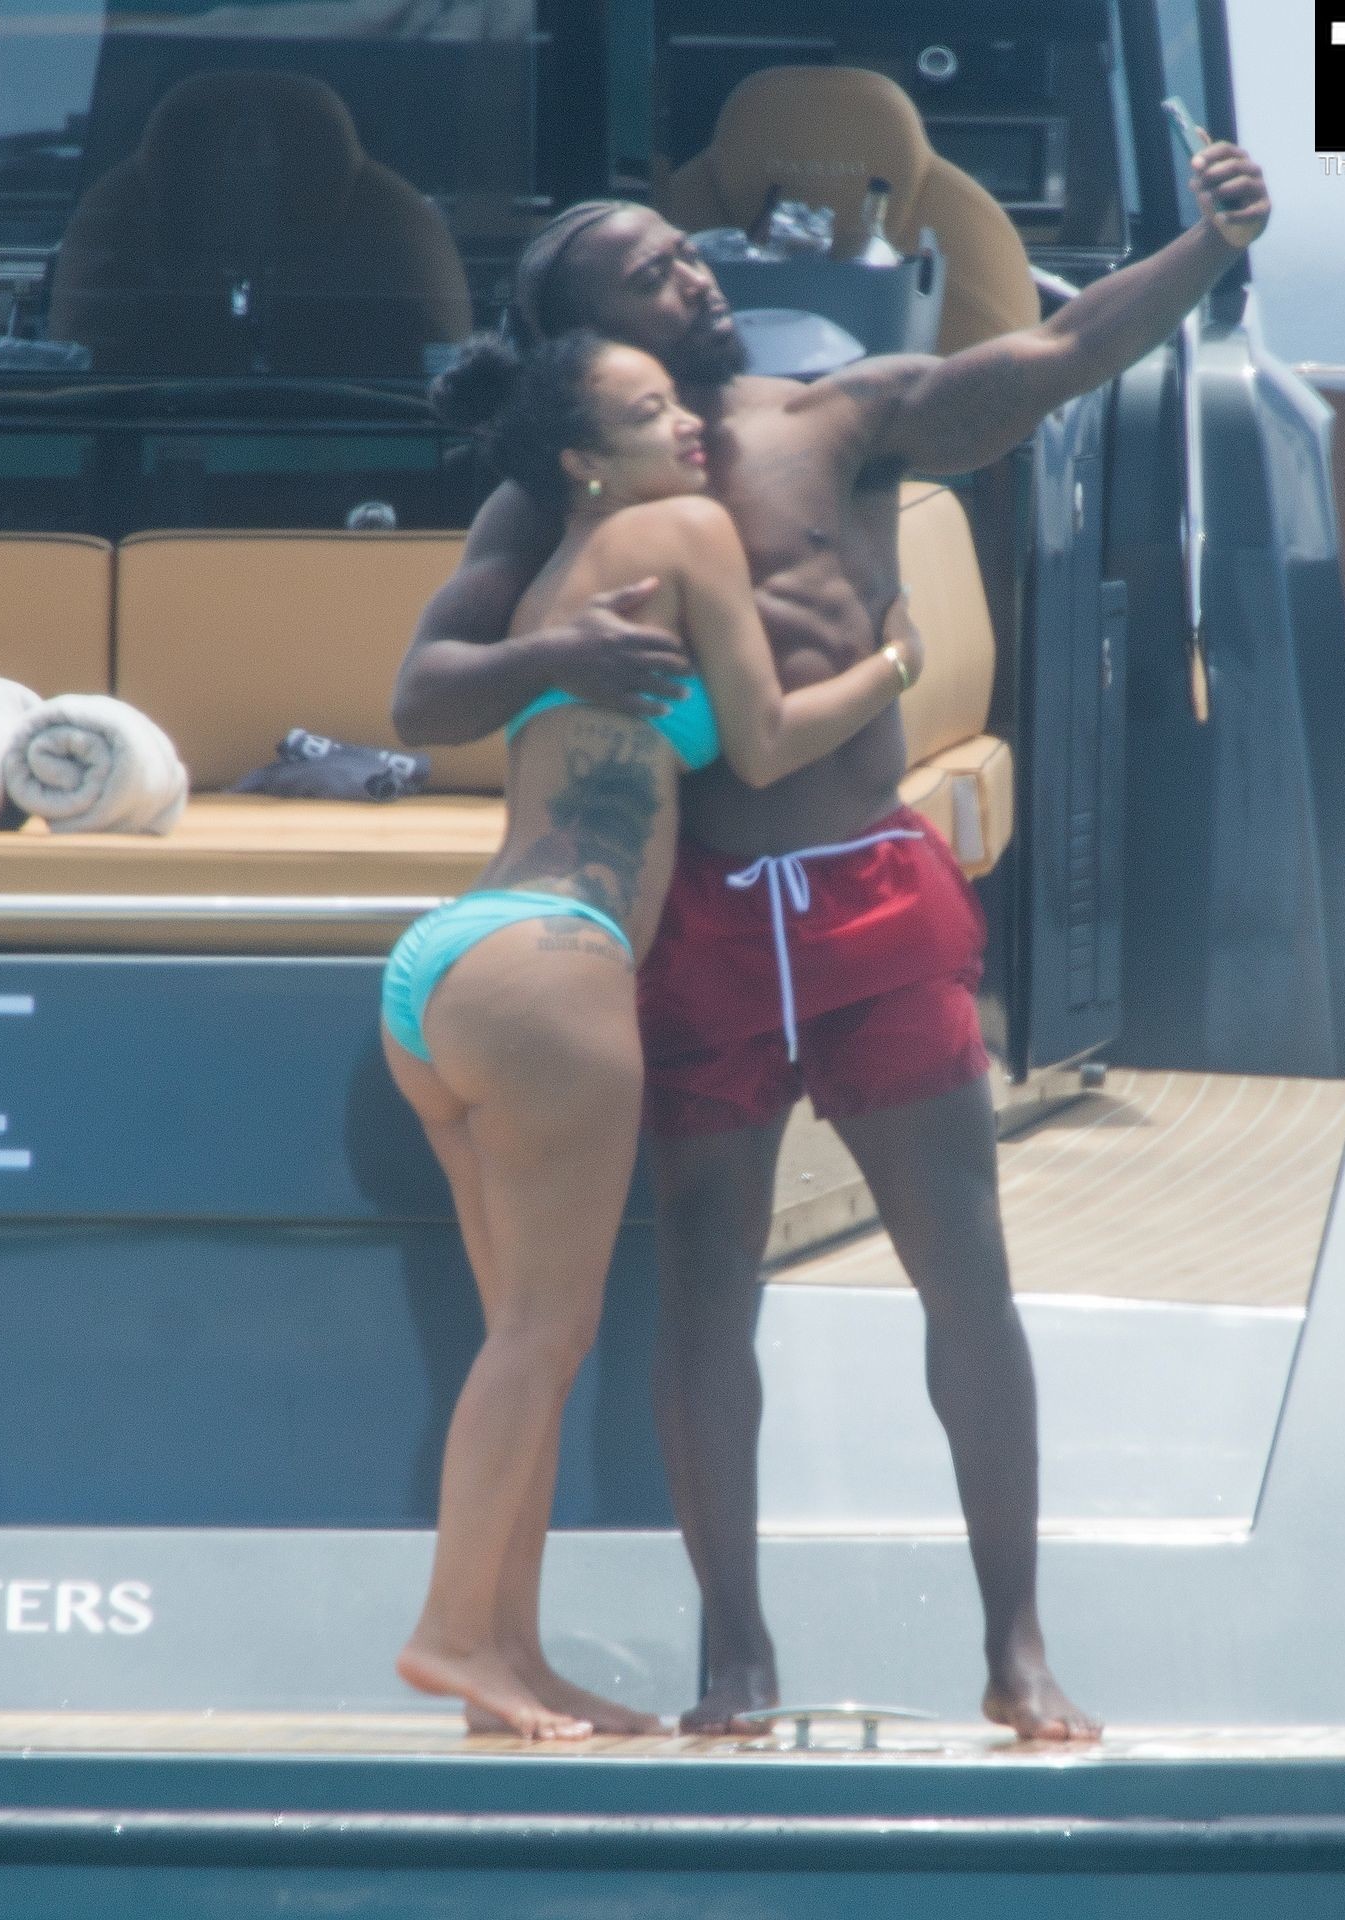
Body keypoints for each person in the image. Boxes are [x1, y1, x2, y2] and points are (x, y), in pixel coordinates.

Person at [392, 139, 1272, 1742]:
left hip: (868, 892)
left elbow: (1055, 357)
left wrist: (1204, 248)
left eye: (686, 250)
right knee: (706, 1296)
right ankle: (736, 1655)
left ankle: (1016, 1648)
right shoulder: (559, 489)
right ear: (589, 340)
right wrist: (551, 654)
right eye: (652, 272)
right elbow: (422, 692)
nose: (696, 274)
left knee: (967, 1280)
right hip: (697, 924)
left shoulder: (833, 415)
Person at [381, 327, 922, 1739]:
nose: (692, 425)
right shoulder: (682, 530)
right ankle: (451, 1633)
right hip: (554, 969)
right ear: (584, 458)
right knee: (541, 1338)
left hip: (453, 968)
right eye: (650, 409)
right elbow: (764, 737)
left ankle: (506, 1656)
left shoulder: (558, 569)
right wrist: (889, 665)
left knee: (524, 1343)